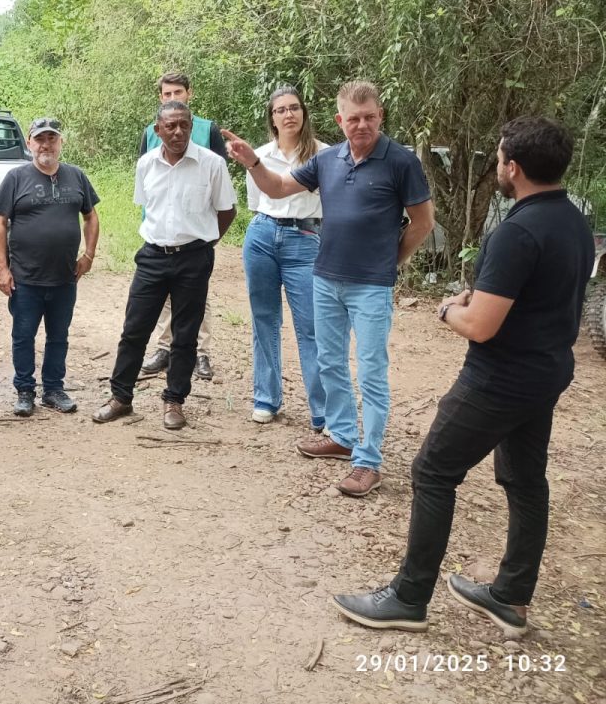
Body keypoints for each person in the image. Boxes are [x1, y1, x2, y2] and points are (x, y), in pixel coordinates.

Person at [332, 117, 594, 636]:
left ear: (512, 168)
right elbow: (538, 297)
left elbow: (480, 326)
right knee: (524, 479)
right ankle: (510, 597)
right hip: (547, 369)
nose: (497, 166)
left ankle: (408, 598)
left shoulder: (515, 232)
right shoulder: (574, 221)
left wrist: (449, 309)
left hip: (501, 378)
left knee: (432, 471)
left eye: (499, 159)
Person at [224, 80, 435, 497]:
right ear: (340, 121)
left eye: (369, 117)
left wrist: (391, 261)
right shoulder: (328, 159)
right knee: (330, 360)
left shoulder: (401, 162)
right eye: (353, 119)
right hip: (325, 277)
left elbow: (422, 222)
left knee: (372, 371)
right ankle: (341, 435)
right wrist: (252, 162)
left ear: (380, 116)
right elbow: (279, 189)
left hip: (371, 286)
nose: (362, 126)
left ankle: (368, 460)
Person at [94, 100, 237, 431]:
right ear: (157, 130)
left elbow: (226, 211)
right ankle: (120, 397)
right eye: (170, 126)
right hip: (152, 256)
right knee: (134, 331)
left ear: (191, 126)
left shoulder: (212, 164)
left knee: (185, 336)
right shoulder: (146, 164)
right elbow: (147, 207)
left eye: (184, 125)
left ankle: (174, 400)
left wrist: (205, 243)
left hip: (194, 258)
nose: (177, 131)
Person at [0, 118, 101, 417]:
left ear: (61, 142)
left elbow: (91, 217)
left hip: (65, 277)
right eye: (40, 139)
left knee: (59, 336)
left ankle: (53, 389)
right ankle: (25, 391)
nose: (46, 145)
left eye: (52, 138)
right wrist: (2, 268)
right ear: (29, 143)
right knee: (23, 335)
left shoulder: (76, 176)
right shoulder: (16, 178)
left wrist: (88, 255)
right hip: (25, 279)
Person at [243, 86, 327, 429]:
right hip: (263, 235)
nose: (288, 114)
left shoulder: (325, 155)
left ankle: (322, 409)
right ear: (272, 118)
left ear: (304, 113)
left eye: (294, 108)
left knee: (312, 327)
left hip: (305, 239)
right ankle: (266, 398)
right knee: (264, 320)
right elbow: (255, 202)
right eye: (280, 110)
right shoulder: (259, 155)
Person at [138, 71, 229, 383]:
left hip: (196, 233)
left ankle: (201, 352)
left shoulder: (206, 129)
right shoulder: (151, 132)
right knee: (161, 296)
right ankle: (164, 348)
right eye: (167, 94)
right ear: (160, 97)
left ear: (189, 93)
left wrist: (207, 240)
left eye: (178, 92)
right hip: (160, 230)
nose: (173, 98)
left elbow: (221, 185)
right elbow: (147, 178)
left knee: (196, 299)